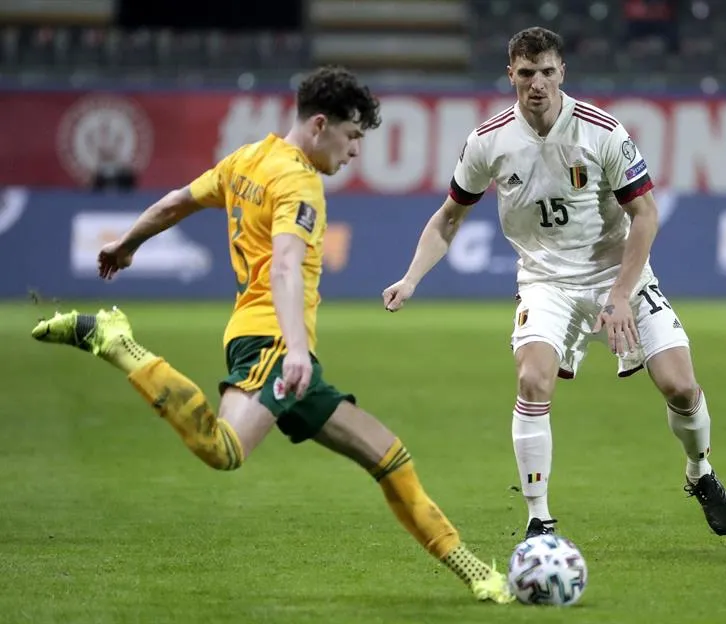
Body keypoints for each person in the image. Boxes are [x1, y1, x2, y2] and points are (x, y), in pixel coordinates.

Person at [31, 66, 513, 604]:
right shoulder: (298, 181)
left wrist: (127, 243)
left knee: (387, 454)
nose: (355, 152)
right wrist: (298, 350)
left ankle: (475, 572)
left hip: (263, 336)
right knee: (224, 449)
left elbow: (175, 202)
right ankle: (119, 344)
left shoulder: (249, 158)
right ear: (321, 125)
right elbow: (285, 266)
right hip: (274, 342)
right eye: (353, 137)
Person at [382, 28, 726, 539]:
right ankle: (538, 519)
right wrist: (411, 277)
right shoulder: (488, 142)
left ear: (561, 73)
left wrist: (619, 296)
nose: (537, 85)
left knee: (681, 387)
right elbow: (448, 219)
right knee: (532, 381)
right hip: (545, 282)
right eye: (526, 73)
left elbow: (645, 215)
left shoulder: (603, 132)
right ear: (511, 75)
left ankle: (699, 472)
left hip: (617, 277)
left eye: (547, 72)